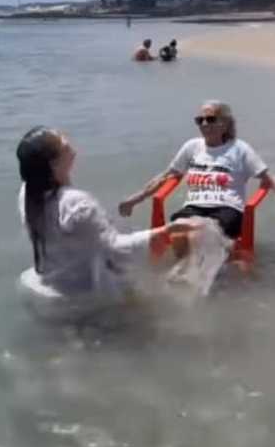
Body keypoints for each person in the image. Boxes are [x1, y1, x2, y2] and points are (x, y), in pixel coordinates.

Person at [15, 126, 197, 320]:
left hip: (48, 283)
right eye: (60, 139)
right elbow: (115, 249)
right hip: (84, 294)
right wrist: (163, 232)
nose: (65, 137)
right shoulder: (76, 203)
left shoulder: (27, 192)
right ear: (54, 163)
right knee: (183, 242)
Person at [119, 101, 275, 256]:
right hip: (194, 208)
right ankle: (190, 281)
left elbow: (270, 177)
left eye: (211, 119)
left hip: (226, 209)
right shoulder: (191, 146)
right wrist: (135, 199)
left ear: (225, 124)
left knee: (197, 235)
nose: (204, 124)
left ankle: (203, 278)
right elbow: (167, 176)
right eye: (200, 120)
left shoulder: (239, 149)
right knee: (178, 235)